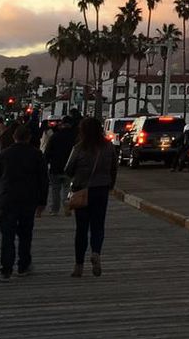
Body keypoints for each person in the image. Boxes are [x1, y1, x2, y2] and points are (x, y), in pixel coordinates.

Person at [0, 123, 47, 281]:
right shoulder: (36, 155)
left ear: (14, 137)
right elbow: (43, 180)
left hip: (7, 199)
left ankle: (6, 269)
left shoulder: (5, 154)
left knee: (7, 236)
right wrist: (42, 201)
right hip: (28, 199)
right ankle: (23, 265)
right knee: (25, 234)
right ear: (29, 138)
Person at [63, 116, 118, 278]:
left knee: (81, 228)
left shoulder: (79, 148)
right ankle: (96, 253)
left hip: (82, 191)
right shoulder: (108, 147)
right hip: (101, 190)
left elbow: (68, 169)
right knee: (98, 226)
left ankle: (78, 265)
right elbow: (114, 168)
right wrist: (110, 184)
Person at [43, 115, 77, 216]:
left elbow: (47, 152)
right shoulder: (75, 137)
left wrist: (46, 163)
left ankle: (54, 209)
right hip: (69, 167)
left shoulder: (55, 136)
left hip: (55, 166)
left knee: (55, 189)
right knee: (67, 188)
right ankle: (67, 204)